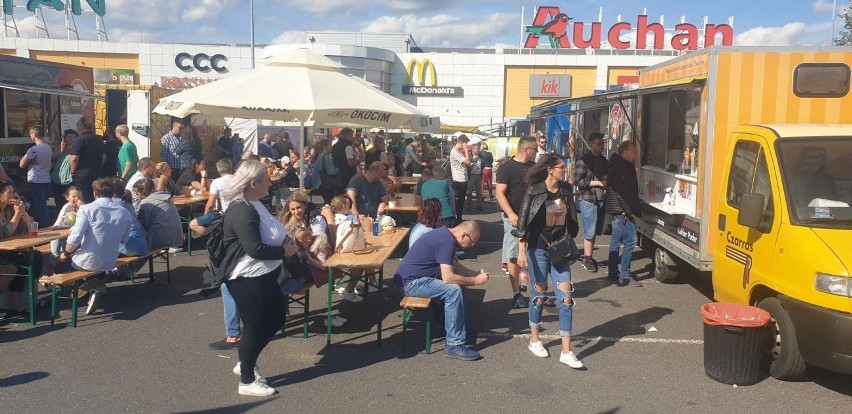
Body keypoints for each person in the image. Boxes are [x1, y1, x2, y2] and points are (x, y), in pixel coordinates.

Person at [221, 159, 294, 397]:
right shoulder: (242, 209)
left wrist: (283, 242)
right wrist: (285, 251)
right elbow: (255, 249)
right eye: (267, 181)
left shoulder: (254, 203)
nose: (270, 185)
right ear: (254, 183)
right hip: (247, 278)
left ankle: (246, 361)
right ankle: (247, 381)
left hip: (263, 275)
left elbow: (268, 234)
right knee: (253, 327)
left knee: (276, 319)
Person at [515, 153, 584, 369]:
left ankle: (567, 351)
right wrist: (522, 250)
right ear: (550, 169)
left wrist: (569, 239)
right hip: (538, 250)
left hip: (559, 251)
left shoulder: (566, 191)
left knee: (566, 298)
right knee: (539, 295)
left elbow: (573, 221)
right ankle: (534, 339)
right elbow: (523, 223)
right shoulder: (534, 191)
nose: (564, 169)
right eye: (561, 166)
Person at [393, 220, 489, 361]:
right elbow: (448, 277)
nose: (472, 246)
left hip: (416, 278)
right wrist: (476, 281)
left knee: (459, 286)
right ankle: (453, 345)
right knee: (453, 290)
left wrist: (474, 274)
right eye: (473, 242)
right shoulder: (446, 242)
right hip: (409, 283)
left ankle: (456, 328)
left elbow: (454, 265)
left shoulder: (445, 236)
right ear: (464, 235)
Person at [56, 178, 132, 315]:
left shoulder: (86, 209)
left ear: (95, 194)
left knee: (60, 263)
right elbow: (124, 239)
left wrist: (64, 254)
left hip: (88, 261)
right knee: (98, 254)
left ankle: (78, 289)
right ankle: (96, 284)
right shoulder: (124, 212)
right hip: (110, 261)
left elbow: (75, 238)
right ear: (113, 193)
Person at [496, 136, 536, 309]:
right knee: (513, 255)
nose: (536, 153)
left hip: (532, 217)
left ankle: (535, 289)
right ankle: (516, 293)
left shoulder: (534, 168)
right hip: (513, 218)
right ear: (526, 150)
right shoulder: (506, 168)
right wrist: (511, 213)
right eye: (534, 150)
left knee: (532, 253)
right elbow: (499, 193)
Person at [605, 141, 642, 287]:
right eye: (633, 151)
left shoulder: (617, 163)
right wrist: (628, 211)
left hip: (617, 209)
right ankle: (625, 275)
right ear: (625, 152)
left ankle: (613, 272)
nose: (635, 154)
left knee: (616, 241)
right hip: (621, 210)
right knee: (631, 240)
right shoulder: (622, 166)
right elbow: (622, 192)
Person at [573, 132, 608, 273]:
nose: (602, 146)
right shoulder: (584, 160)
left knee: (596, 231)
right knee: (590, 231)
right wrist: (598, 182)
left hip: (601, 198)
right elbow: (577, 181)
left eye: (603, 143)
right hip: (589, 199)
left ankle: (590, 256)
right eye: (599, 144)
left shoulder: (604, 160)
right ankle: (587, 259)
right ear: (591, 144)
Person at [0, 182, 37, 313]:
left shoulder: (10, 209)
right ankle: (14, 303)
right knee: (15, 266)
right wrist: (18, 213)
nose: (14, 194)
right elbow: (7, 231)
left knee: (34, 258)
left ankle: (22, 301)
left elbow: (31, 225)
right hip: (3, 252)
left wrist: (23, 212)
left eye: (14, 191)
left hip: (10, 250)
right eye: (9, 192)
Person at [134, 178, 184, 250]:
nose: (137, 196)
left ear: (142, 192)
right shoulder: (165, 197)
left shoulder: (146, 202)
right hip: (177, 238)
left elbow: (143, 225)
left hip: (161, 240)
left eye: (137, 194)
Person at [45, 186, 84, 275]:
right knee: (55, 252)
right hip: (60, 234)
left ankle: (65, 272)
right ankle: (49, 272)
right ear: (67, 198)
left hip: (72, 236)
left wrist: (82, 207)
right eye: (74, 196)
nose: (77, 199)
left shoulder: (83, 207)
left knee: (72, 251)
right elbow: (58, 223)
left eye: (79, 197)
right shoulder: (67, 207)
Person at [19, 125, 52, 226]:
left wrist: (29, 161)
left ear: (35, 134)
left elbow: (21, 164)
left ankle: (43, 225)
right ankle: (45, 223)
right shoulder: (48, 147)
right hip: (46, 178)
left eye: (30, 133)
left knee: (39, 205)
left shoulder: (33, 149)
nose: (30, 136)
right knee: (42, 204)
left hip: (36, 179)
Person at [69, 116, 104, 203]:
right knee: (95, 196)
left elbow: (74, 158)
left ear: (82, 125)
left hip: (82, 174)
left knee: (83, 198)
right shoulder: (98, 139)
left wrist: (72, 172)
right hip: (96, 172)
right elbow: (104, 157)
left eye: (78, 123)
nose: (76, 125)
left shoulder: (79, 139)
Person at [449, 135, 471, 224]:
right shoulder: (455, 152)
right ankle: (457, 219)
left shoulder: (458, 152)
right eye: (465, 143)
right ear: (461, 142)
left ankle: (459, 218)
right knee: (459, 201)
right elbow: (467, 162)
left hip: (463, 178)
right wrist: (465, 150)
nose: (466, 145)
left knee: (461, 201)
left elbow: (468, 163)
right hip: (459, 179)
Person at [51, 129, 77, 204]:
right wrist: (61, 151)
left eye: (72, 137)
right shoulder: (60, 148)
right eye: (68, 137)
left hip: (69, 179)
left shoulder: (76, 149)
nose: (70, 139)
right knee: (58, 200)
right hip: (57, 177)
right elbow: (52, 158)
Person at [313, 139, 340, 204]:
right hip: (326, 185)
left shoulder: (318, 157)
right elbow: (331, 171)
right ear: (325, 147)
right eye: (330, 145)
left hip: (318, 185)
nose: (332, 147)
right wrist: (338, 168)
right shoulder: (327, 157)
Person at [331, 127, 357, 194]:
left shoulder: (334, 146)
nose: (352, 138)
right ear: (348, 135)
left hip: (336, 174)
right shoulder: (348, 146)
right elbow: (350, 163)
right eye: (352, 136)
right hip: (347, 175)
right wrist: (358, 161)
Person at [465, 144, 483, 211]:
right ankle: (468, 205)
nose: (478, 150)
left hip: (478, 175)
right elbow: (467, 164)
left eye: (479, 149)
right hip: (471, 175)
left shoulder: (481, 156)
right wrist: (473, 159)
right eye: (477, 149)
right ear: (473, 149)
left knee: (479, 192)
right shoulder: (469, 155)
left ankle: (479, 205)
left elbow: (483, 164)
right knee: (469, 191)